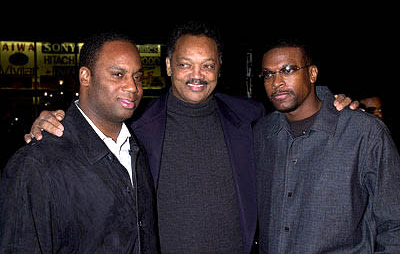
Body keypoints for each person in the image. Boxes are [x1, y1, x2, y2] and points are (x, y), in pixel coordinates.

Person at [24, 22, 355, 254]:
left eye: (207, 65)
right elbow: (94, 123)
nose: (197, 75)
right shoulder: (137, 124)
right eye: (185, 64)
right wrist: (55, 119)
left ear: (219, 68)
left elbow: (301, 109)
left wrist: (334, 102)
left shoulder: (250, 117)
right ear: (168, 66)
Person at [0, 33, 160, 253]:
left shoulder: (138, 147)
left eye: (137, 77)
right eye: (117, 74)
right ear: (85, 76)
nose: (132, 87)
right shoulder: (35, 164)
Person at [254, 38, 400, 253]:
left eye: (288, 70)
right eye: (268, 74)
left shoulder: (364, 133)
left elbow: (394, 223)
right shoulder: (262, 133)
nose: (277, 82)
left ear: (312, 74)